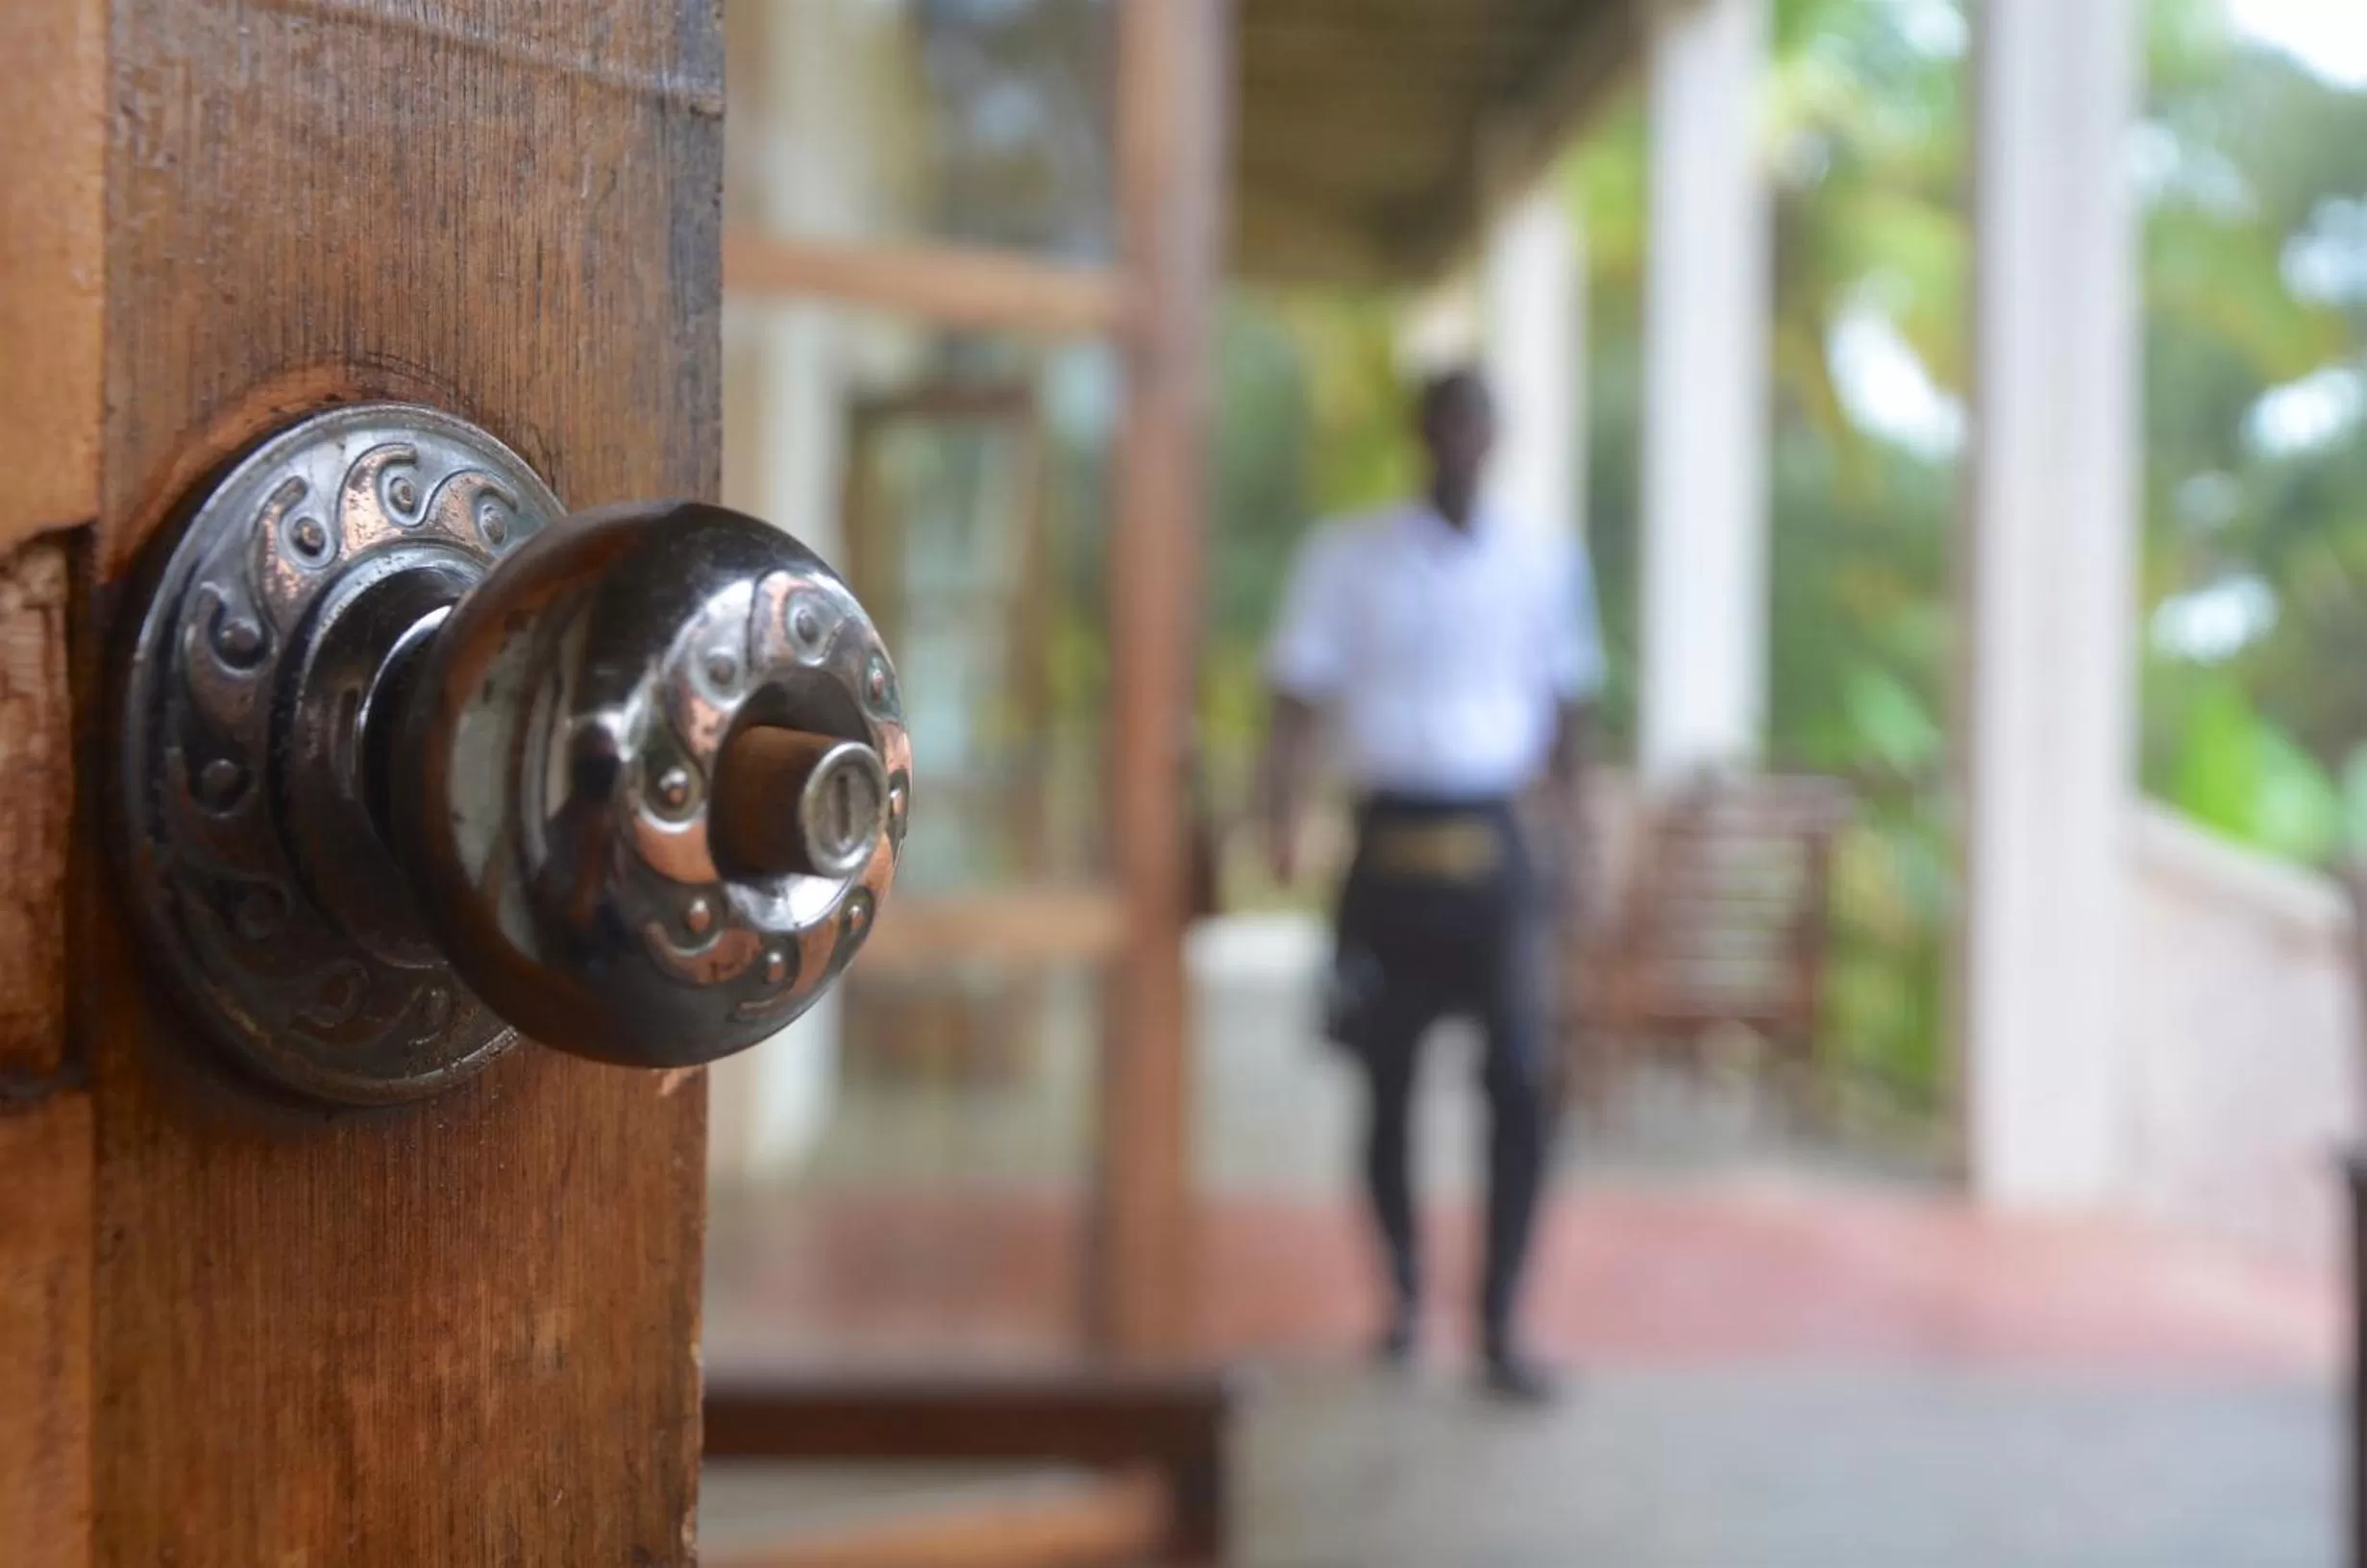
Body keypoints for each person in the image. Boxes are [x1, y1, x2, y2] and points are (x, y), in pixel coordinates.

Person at [1255, 366, 1602, 1403]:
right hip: (1388, 847)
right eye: (1445, 424)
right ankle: (1402, 1298)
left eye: (1478, 427)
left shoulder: (1543, 561)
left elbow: (1570, 708)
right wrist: (1278, 811)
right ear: (1421, 434)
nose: (1461, 443)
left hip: (1492, 846)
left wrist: (1579, 841)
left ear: (1498, 441)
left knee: (1522, 1084)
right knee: (1385, 1084)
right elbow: (1296, 694)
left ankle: (1500, 1320)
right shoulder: (1349, 557)